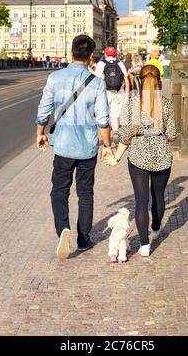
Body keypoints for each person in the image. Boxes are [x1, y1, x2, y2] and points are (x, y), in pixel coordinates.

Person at [36, 35, 112, 259]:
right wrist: (107, 146)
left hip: (63, 145)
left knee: (59, 190)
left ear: (70, 53)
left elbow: (43, 111)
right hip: (87, 146)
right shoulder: (97, 82)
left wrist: (40, 133)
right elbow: (103, 120)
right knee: (85, 193)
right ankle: (83, 238)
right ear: (91, 57)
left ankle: (63, 230)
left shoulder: (54, 77)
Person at [104, 65, 177, 258]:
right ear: (159, 81)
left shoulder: (132, 104)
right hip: (162, 157)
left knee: (141, 201)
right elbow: (171, 134)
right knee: (159, 195)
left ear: (140, 81)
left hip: (138, 158)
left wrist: (116, 158)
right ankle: (155, 227)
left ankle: (144, 245)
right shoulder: (167, 104)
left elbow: (126, 136)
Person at [95, 46, 127, 133]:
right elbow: (126, 77)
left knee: (106, 112)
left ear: (105, 54)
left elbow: (96, 79)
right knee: (116, 112)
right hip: (119, 91)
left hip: (106, 91)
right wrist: (127, 91)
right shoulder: (120, 63)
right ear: (115, 54)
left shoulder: (101, 64)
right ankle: (116, 129)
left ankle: (110, 132)